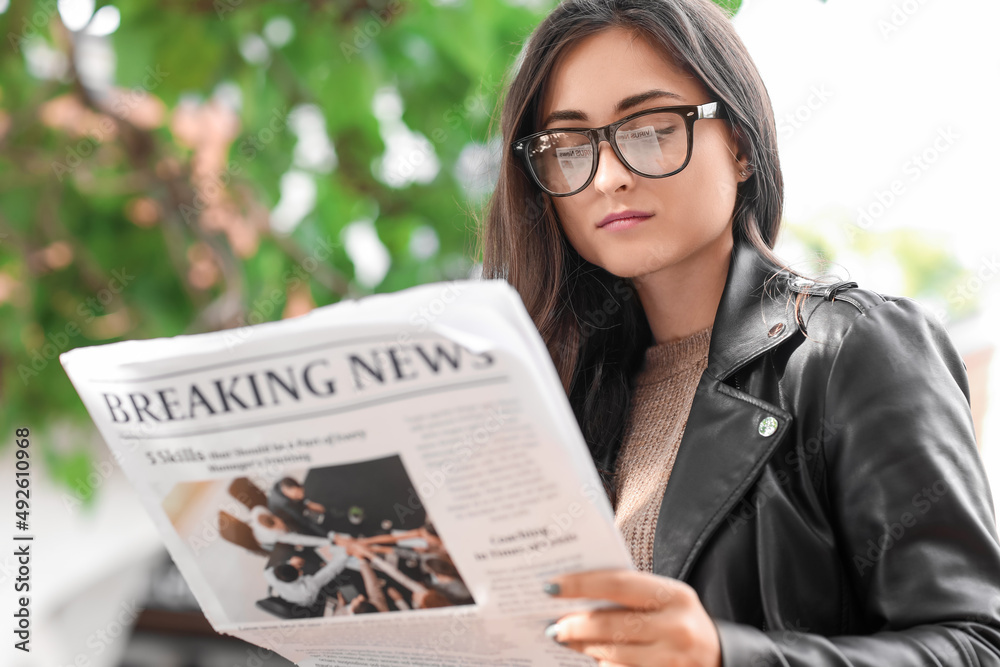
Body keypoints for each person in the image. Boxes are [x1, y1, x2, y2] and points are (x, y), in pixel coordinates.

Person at [478, 0, 1000, 665]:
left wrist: (726, 654)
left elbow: (977, 645)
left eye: (650, 127)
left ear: (743, 146)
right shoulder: (555, 393)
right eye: (570, 145)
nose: (608, 176)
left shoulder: (851, 353)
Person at [263, 549, 350, 608]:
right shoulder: (308, 586)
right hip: (312, 601)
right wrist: (347, 553)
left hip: (290, 594)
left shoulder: (270, 576)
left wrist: (290, 562)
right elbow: (330, 571)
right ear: (300, 573)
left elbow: (269, 571)